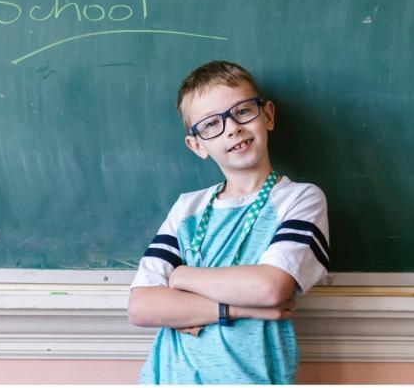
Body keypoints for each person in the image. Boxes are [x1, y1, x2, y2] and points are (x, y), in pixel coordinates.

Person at [127, 60, 330, 384]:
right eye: (211, 124)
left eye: (242, 111)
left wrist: (180, 277)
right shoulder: (187, 209)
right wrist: (238, 309)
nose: (232, 128)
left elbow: (269, 287)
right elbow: (142, 306)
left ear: (268, 115)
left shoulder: (300, 199)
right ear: (197, 145)